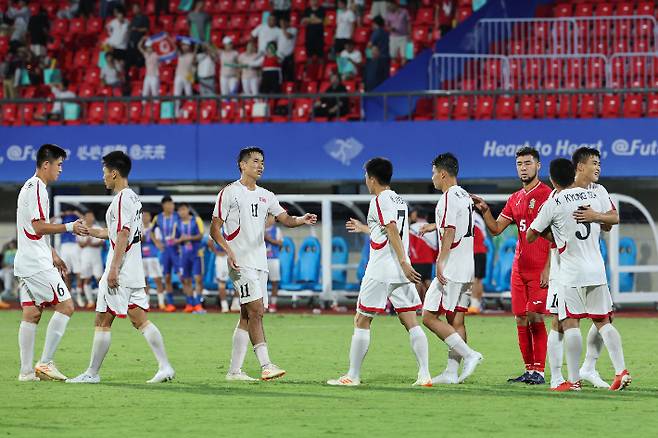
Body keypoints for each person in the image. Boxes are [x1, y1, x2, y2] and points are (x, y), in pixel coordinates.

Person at [210, 147, 317, 381]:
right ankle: (266, 365)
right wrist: (228, 252)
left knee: (247, 316)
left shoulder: (267, 195)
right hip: (240, 263)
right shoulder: (229, 193)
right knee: (257, 310)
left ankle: (234, 371)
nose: (260, 165)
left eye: (262, 162)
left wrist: (302, 219)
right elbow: (214, 229)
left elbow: (285, 219)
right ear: (242, 165)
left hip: (260, 263)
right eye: (256, 161)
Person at [67, 151, 175, 384]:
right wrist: (94, 231)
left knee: (102, 320)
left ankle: (92, 373)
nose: (103, 177)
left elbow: (124, 234)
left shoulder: (121, 199)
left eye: (104, 172)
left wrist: (114, 269)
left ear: (114, 173)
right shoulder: (134, 199)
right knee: (140, 319)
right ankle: (165, 366)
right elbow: (121, 233)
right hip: (134, 269)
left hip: (121, 270)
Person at [527, 158, 630, 392]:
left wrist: (553, 235)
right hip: (597, 268)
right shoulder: (592, 196)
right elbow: (611, 219)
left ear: (552, 179)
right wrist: (597, 218)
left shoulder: (553, 201)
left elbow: (531, 235)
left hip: (569, 271)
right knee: (603, 320)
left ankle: (573, 380)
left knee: (568, 322)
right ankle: (620, 369)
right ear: (575, 172)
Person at [327, 157, 431, 387]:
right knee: (411, 321)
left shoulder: (379, 200)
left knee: (362, 319)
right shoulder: (399, 199)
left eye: (365, 176)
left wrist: (404, 261)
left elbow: (392, 229)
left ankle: (352, 376)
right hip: (399, 271)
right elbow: (385, 231)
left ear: (371, 178)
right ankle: (424, 375)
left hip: (382, 269)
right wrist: (366, 229)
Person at [471, 147, 552, 385]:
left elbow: (556, 234)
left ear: (538, 166)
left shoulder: (548, 195)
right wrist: (485, 211)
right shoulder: (515, 198)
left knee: (537, 316)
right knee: (520, 319)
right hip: (520, 268)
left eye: (528, 163)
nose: (523, 167)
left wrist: (549, 267)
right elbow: (496, 229)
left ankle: (540, 371)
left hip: (539, 268)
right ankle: (529, 370)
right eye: (520, 164)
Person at [15, 144, 88, 382]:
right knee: (66, 306)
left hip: (27, 260)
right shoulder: (37, 188)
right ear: (46, 164)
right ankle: (44, 363)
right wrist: (69, 227)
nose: (60, 170)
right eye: (59, 165)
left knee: (31, 313)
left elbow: (32, 229)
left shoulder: (28, 186)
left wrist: (52, 251)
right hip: (36, 263)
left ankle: (26, 372)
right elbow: (38, 227)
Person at [419, 153, 484, 385]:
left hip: (452, 268)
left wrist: (440, 262)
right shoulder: (464, 196)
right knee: (456, 319)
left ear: (443, 173)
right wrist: (432, 225)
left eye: (434, 172)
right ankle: (451, 372)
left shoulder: (446, 198)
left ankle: (469, 354)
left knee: (428, 316)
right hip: (467, 268)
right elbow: (458, 222)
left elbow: (449, 231)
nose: (433, 177)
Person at [572, 147, 620, 388]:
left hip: (593, 264)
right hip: (567, 267)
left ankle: (588, 367)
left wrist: (596, 216)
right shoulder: (565, 192)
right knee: (564, 322)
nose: (598, 167)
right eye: (594, 162)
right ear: (581, 166)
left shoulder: (599, 190)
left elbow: (613, 218)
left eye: (600, 163)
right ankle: (564, 377)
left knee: (604, 316)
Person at [176, 203, 205, 313]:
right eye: (180, 210)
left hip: (196, 254)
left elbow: (201, 235)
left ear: (188, 210)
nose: (182, 212)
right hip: (184, 255)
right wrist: (180, 240)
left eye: (184, 209)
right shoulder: (177, 223)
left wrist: (188, 237)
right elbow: (174, 239)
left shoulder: (196, 220)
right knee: (186, 280)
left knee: (198, 279)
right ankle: (189, 304)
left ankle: (198, 304)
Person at [154, 196, 181, 312]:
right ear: (163, 205)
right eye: (168, 204)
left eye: (172, 204)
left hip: (177, 249)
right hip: (165, 251)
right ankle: (170, 303)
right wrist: (157, 243)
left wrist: (181, 243)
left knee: (184, 276)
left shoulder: (178, 216)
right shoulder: (158, 218)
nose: (171, 206)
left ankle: (191, 303)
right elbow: (151, 231)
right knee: (167, 277)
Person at [77, 211, 104, 309]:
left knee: (100, 279)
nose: (90, 218)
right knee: (86, 278)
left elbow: (102, 242)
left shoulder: (98, 228)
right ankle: (90, 301)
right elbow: (80, 244)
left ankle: (102, 300)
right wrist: (87, 243)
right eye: (88, 216)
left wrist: (91, 244)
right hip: (85, 256)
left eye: (91, 216)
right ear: (85, 217)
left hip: (96, 256)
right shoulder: (80, 228)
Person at [408, 207, 437, 302]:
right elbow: (435, 246)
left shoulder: (411, 228)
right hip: (428, 260)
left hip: (416, 259)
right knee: (427, 281)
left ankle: (417, 303)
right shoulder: (431, 227)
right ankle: (433, 301)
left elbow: (410, 246)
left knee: (417, 282)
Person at [56, 208, 83, 304]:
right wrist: (59, 214)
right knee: (65, 271)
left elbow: (86, 221)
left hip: (75, 245)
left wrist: (76, 212)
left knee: (78, 270)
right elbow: (49, 223)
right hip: (64, 246)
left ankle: (79, 294)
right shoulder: (61, 219)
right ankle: (68, 296)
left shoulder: (76, 217)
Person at [142, 210, 166, 310]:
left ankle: (161, 303)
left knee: (158, 280)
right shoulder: (138, 228)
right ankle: (146, 304)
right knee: (144, 281)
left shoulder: (155, 229)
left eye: (146, 215)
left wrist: (152, 237)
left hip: (153, 257)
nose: (144, 218)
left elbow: (160, 246)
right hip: (142, 258)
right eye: (142, 216)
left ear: (150, 217)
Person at [208, 235, 236, 313]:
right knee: (221, 282)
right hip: (222, 257)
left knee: (239, 280)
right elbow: (210, 241)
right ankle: (224, 305)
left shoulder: (236, 223)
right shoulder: (217, 224)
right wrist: (216, 252)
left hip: (235, 255)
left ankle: (235, 304)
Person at [468, 211, 487, 314]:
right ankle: (477, 304)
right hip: (481, 251)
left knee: (474, 279)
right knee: (478, 280)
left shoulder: (470, 216)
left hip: (474, 251)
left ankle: (474, 305)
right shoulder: (479, 218)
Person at [265, 216, 283, 313]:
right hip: (262, 260)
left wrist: (269, 240)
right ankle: (264, 304)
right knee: (261, 283)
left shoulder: (277, 230)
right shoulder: (259, 229)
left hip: (273, 259)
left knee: (274, 282)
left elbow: (280, 244)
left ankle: (273, 303)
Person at [126, 2, 150, 74]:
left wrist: (137, 29)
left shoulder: (144, 18)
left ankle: (141, 73)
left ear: (139, 9)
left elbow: (146, 29)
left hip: (140, 42)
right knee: (131, 60)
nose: (135, 10)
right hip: (132, 42)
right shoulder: (133, 19)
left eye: (136, 8)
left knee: (140, 59)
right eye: (133, 9)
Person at [174, 39, 195, 115]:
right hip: (178, 76)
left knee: (189, 95)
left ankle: (190, 111)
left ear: (189, 47)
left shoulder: (192, 55)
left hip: (187, 77)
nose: (184, 47)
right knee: (177, 95)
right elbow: (174, 46)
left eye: (186, 45)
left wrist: (191, 79)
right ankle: (176, 113)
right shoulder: (179, 54)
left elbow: (193, 68)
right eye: (183, 45)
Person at [302, 0, 325, 69]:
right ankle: (309, 74)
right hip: (309, 37)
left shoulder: (321, 10)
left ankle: (322, 73)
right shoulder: (307, 10)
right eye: (312, 1)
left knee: (321, 57)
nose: (313, 2)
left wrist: (310, 20)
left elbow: (323, 21)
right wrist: (316, 20)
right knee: (309, 58)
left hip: (319, 38)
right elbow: (303, 21)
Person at [277, 17, 297, 83]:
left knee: (290, 75)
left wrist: (283, 28)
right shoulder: (278, 31)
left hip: (289, 56)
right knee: (280, 75)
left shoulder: (293, 30)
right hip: (280, 56)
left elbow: (288, 36)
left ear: (288, 22)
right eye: (281, 23)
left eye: (283, 22)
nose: (282, 24)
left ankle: (290, 89)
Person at [1, 240, 18, 308]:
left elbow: (17, 262)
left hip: (15, 269)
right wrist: (6, 266)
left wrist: (12, 266)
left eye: (12, 244)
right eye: (10, 244)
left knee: (8, 274)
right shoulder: (7, 252)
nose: (11, 245)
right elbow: (4, 262)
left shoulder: (17, 251)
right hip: (7, 268)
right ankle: (8, 291)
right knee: (2, 273)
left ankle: (8, 290)